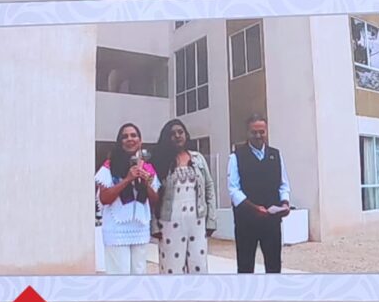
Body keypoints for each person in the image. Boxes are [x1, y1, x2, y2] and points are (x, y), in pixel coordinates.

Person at [227, 114, 291, 273]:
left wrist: (285, 203)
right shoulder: (236, 157)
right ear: (247, 132)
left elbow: (283, 184)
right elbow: (234, 190)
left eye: (261, 132)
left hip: (271, 221)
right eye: (254, 132)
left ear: (266, 131)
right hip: (246, 222)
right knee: (245, 266)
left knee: (274, 265)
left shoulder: (276, 155)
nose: (258, 136)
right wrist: (255, 208)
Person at [152, 119, 217, 274]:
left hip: (197, 221)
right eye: (172, 134)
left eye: (180, 132)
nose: (177, 136)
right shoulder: (160, 162)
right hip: (169, 222)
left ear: (186, 135)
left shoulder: (197, 158)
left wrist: (211, 220)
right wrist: (154, 225)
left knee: (198, 266)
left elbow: (209, 188)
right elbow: (153, 196)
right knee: (172, 268)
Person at [95, 123, 160, 275]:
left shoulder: (148, 167)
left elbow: (155, 200)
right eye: (125, 136)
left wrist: (146, 183)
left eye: (133, 135)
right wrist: (127, 179)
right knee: (119, 275)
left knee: (139, 273)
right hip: (116, 229)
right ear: (119, 141)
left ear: (140, 140)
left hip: (140, 228)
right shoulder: (109, 166)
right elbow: (104, 198)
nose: (130, 139)